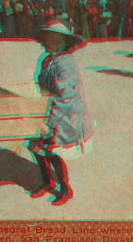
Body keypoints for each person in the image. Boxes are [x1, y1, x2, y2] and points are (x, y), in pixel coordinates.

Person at [27, 19, 92, 205]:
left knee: (53, 151)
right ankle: (47, 181)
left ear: (63, 42)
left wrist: (49, 121)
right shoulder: (46, 59)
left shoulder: (65, 62)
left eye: (53, 39)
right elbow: (41, 84)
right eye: (46, 38)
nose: (48, 42)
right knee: (35, 146)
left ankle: (64, 188)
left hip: (64, 113)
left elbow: (66, 96)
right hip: (47, 108)